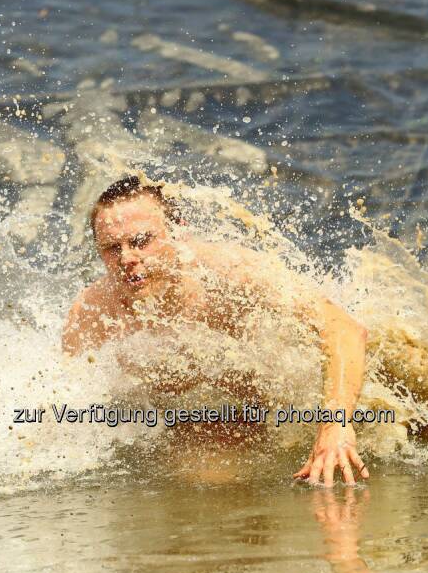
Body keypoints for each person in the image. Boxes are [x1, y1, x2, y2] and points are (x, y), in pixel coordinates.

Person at [62, 176, 372, 486]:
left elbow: (343, 328)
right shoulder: (93, 312)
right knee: (207, 478)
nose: (127, 258)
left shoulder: (227, 273)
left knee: (410, 359)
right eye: (112, 248)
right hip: (214, 416)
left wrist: (335, 426)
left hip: (296, 397)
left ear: (177, 232)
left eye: (142, 241)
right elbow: (62, 393)